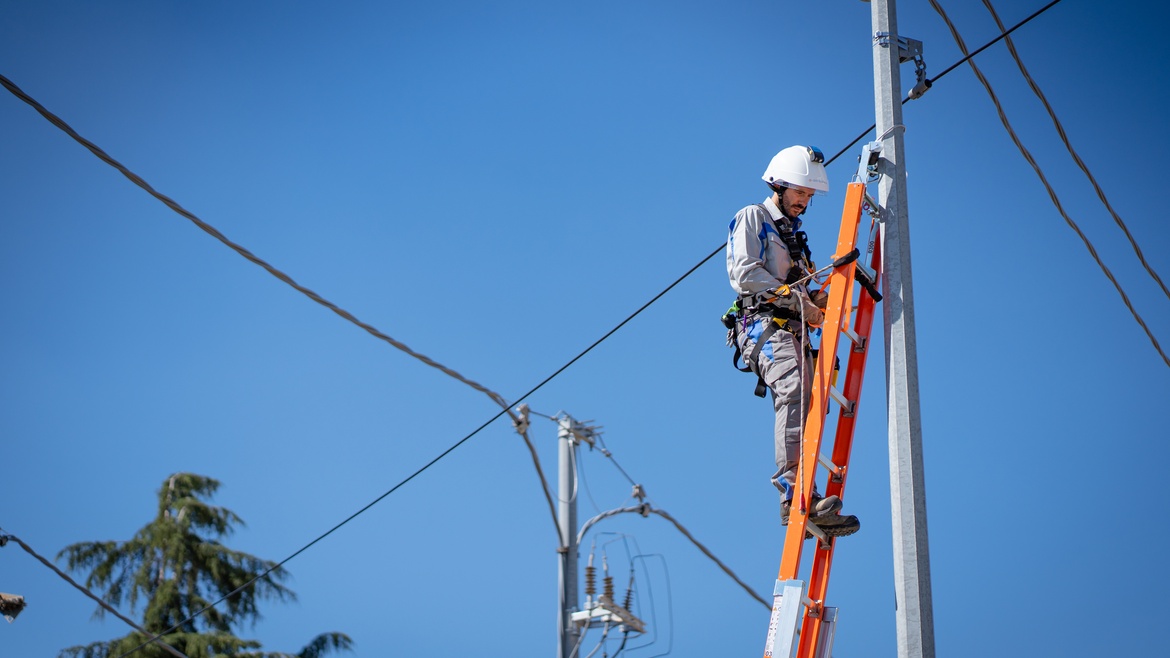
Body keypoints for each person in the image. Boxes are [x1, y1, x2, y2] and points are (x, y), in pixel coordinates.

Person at [725, 145, 860, 538]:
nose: (804, 200)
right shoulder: (754, 218)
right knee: (796, 392)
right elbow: (746, 274)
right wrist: (804, 302)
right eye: (799, 192)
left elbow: (803, 295)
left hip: (793, 330)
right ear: (779, 185)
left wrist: (831, 293)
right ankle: (792, 496)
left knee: (813, 407)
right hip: (763, 327)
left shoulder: (795, 238)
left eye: (809, 195)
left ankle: (810, 497)